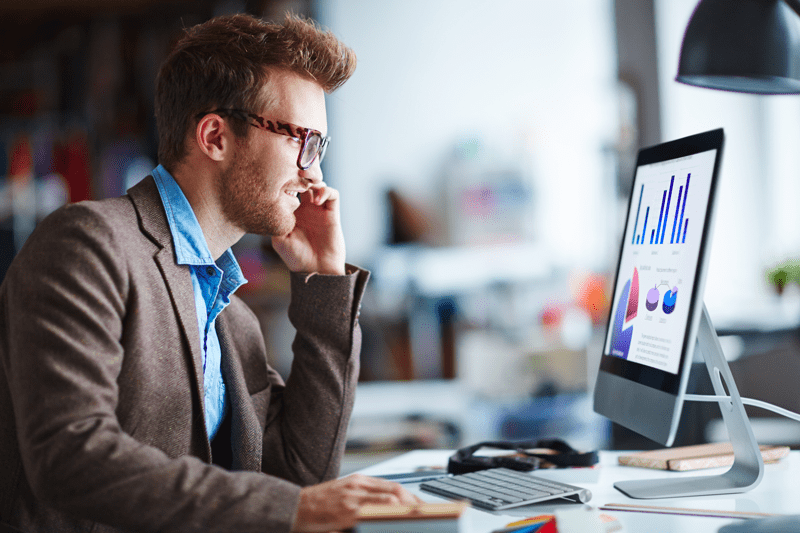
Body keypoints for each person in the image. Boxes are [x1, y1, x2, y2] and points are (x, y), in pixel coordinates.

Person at [0, 13, 419, 533]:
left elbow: (302, 476)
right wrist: (294, 509)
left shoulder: (232, 317)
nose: (314, 174)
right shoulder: (88, 245)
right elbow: (71, 456)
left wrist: (325, 282)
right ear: (216, 136)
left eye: (321, 149)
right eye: (303, 141)